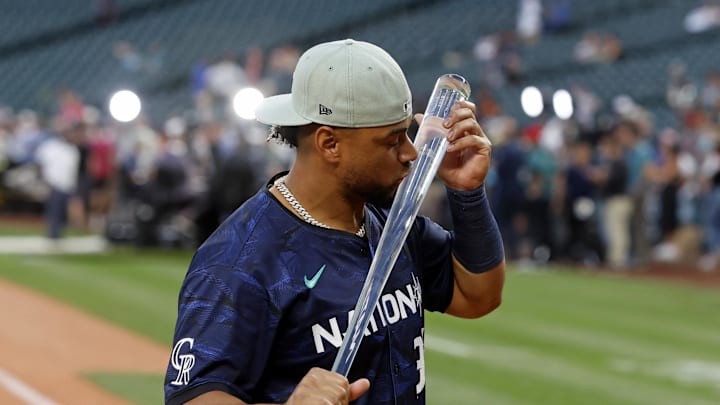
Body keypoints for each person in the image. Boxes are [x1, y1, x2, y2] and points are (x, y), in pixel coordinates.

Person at [164, 39, 506, 405]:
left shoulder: (386, 222)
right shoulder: (241, 259)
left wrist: (467, 193)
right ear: (330, 144)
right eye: (392, 140)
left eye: (407, 133)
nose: (411, 153)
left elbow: (478, 296)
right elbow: (194, 397)